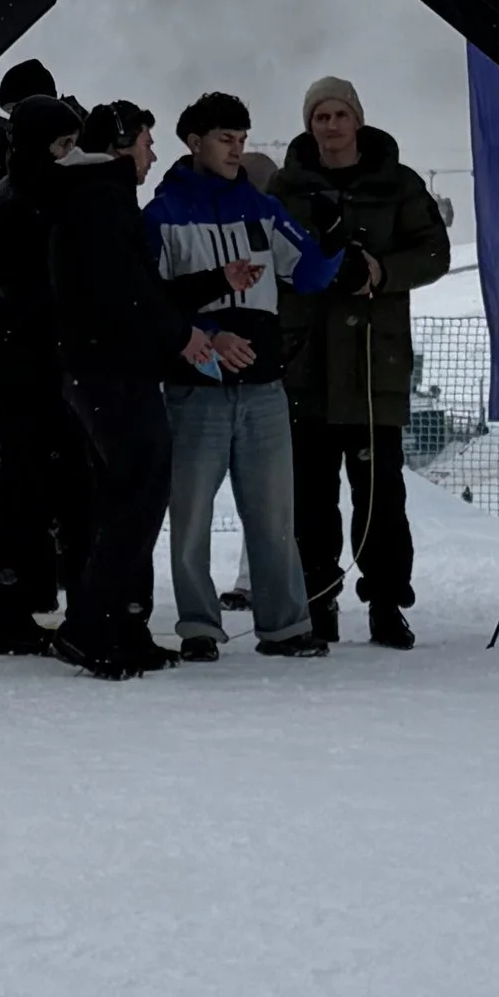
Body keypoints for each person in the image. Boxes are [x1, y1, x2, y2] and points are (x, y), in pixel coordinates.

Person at [142, 92, 339, 661]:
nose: (237, 149)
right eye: (226, 138)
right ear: (194, 142)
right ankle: (199, 627)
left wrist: (330, 233)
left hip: (263, 391)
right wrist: (204, 337)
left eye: (243, 139)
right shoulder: (161, 216)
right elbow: (150, 304)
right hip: (194, 391)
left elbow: (308, 275)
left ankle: (285, 627)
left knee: (275, 514)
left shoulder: (262, 208)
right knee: (191, 518)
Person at [45, 102, 227, 678]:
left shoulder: (97, 193)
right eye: (147, 141)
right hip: (110, 371)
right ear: (122, 143)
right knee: (137, 496)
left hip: (103, 367)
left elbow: (140, 288)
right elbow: (125, 293)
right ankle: (90, 629)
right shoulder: (99, 197)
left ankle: (122, 626)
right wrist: (184, 337)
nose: (153, 153)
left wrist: (214, 286)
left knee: (124, 494)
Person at [275, 75, 453, 648]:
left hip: (375, 363)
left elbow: (434, 251)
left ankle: (385, 603)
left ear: (358, 120)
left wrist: (381, 270)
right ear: (310, 126)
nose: (330, 126)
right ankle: (317, 602)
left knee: (380, 496)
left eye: (339, 115)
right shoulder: (285, 187)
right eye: (320, 117)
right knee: (311, 497)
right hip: (306, 361)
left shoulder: (398, 184)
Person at [0, 88, 91, 655]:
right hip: (26, 371)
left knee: (42, 489)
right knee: (25, 493)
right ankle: (7, 611)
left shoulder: (35, 194)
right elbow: (23, 290)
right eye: (63, 144)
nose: (70, 154)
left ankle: (17, 605)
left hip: (38, 367)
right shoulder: (16, 203)